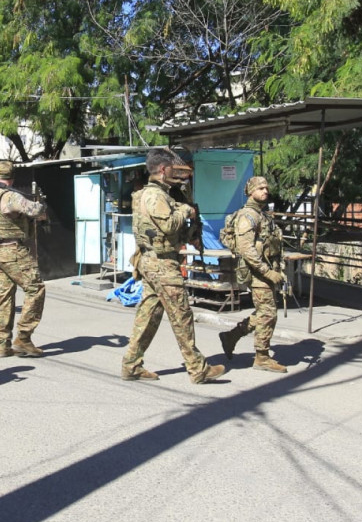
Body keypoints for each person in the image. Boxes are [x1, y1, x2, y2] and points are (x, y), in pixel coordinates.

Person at [121, 148, 226, 384]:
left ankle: (131, 365)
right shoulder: (155, 196)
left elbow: (167, 231)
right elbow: (168, 225)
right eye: (172, 168)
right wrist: (185, 210)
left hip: (153, 262)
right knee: (182, 315)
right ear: (162, 169)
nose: (176, 172)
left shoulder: (153, 194)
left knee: (149, 315)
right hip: (161, 264)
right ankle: (197, 369)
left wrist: (191, 233)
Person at [219, 176, 288, 372]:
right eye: (260, 188)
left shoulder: (262, 215)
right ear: (251, 192)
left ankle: (231, 336)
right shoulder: (248, 216)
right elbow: (246, 249)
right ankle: (262, 357)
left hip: (268, 270)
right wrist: (267, 272)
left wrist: (278, 269)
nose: (265, 191)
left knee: (264, 312)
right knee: (268, 313)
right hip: (258, 273)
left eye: (266, 188)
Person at [0, 160, 47, 358]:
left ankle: (2, 344)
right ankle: (24, 338)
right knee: (36, 289)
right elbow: (35, 211)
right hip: (12, 251)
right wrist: (41, 204)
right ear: (12, 177)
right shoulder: (11, 196)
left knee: (5, 296)